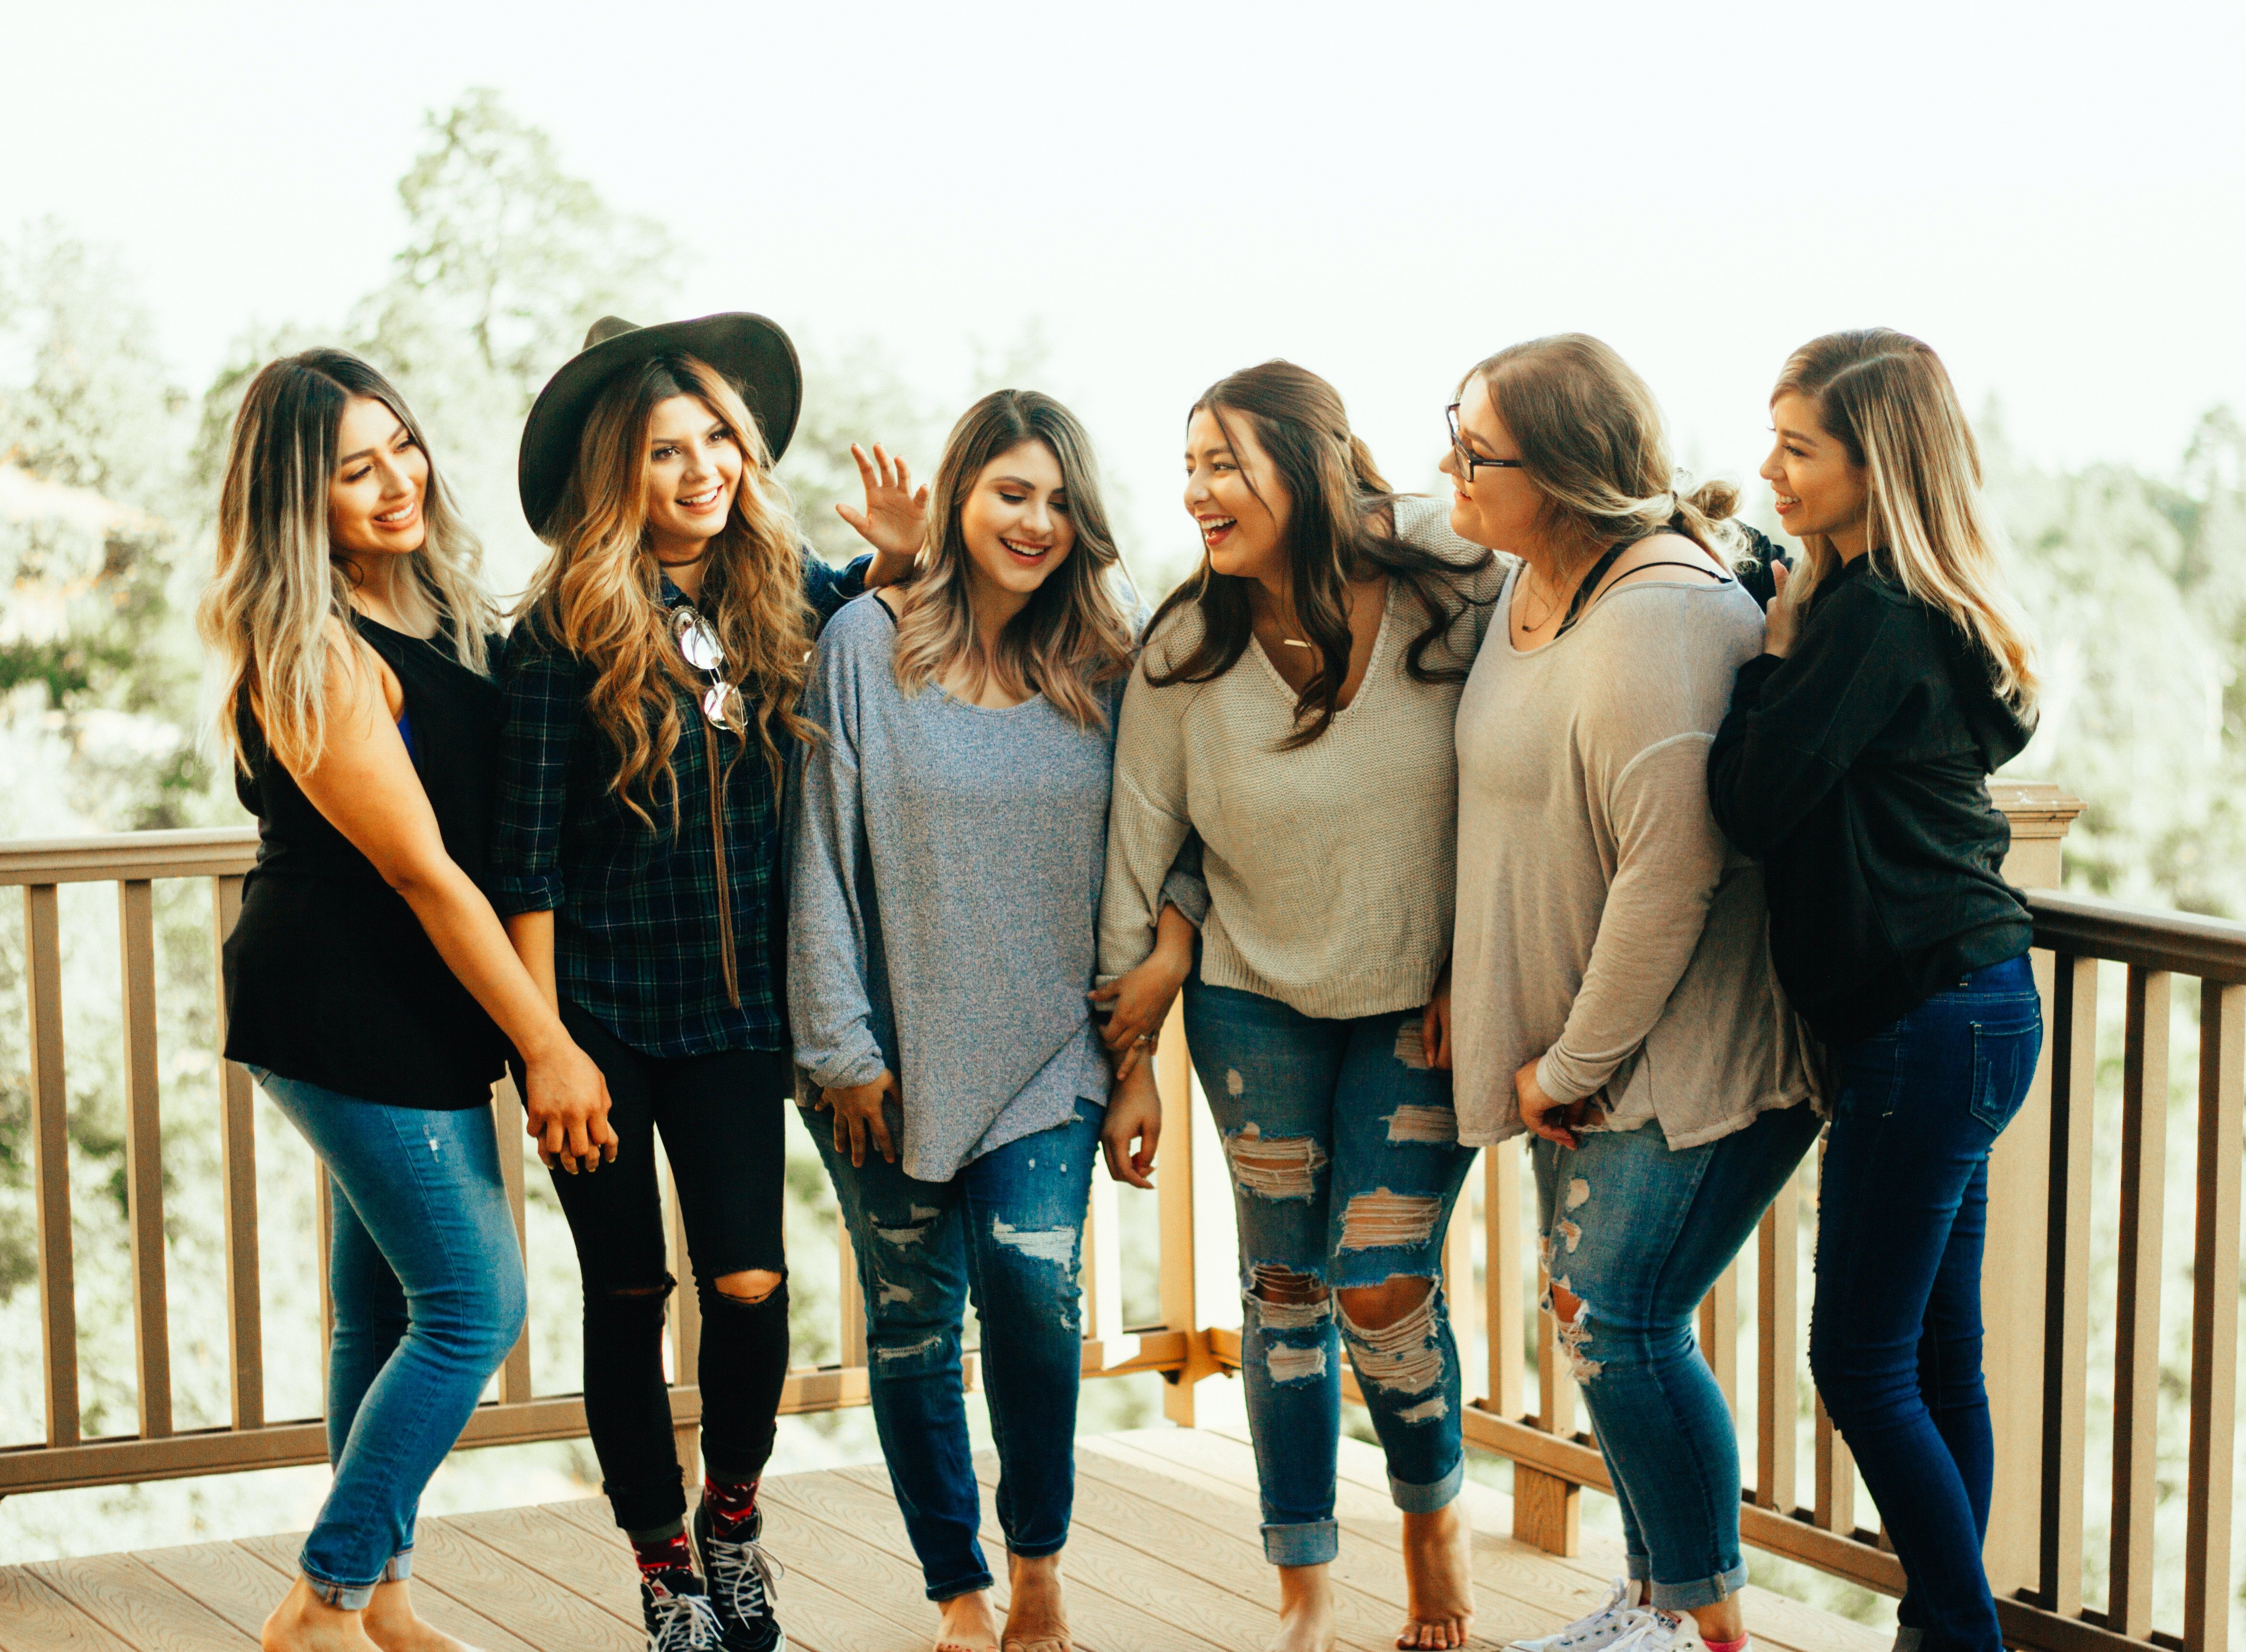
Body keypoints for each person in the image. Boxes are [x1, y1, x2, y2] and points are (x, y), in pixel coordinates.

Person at [492, 314, 909, 1652]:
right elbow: (525, 862)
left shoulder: (781, 589)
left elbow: (890, 606)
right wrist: (549, 1051)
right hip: (600, 1019)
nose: (700, 471)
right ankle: (661, 1567)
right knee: (625, 1296)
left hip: (736, 1018)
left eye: (718, 441)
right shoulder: (560, 628)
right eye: (666, 451)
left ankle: (734, 1524)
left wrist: (899, 552)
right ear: (620, 469)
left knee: (747, 1284)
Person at [202, 348, 614, 1652]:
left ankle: (381, 1597)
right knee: (476, 1307)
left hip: (409, 1006)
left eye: (402, 448)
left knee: (382, 1311)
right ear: (294, 500)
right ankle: (321, 1602)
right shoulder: (313, 646)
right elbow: (426, 873)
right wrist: (547, 1047)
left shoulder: (442, 606)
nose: (395, 483)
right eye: (352, 470)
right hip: (342, 1004)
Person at [1096, 360, 1500, 1652]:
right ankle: (1305, 1584)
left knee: (1382, 1285)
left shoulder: (1456, 596)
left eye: (1228, 462)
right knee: (1282, 1287)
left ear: (1315, 469)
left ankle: (1434, 1526)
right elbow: (1137, 853)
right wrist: (1132, 1061)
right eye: (1191, 462)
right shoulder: (1183, 650)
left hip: (1421, 1010)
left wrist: (1477, 966)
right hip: (1249, 1004)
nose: (1198, 489)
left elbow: (1494, 524)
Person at [1442, 334, 1823, 1652]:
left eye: (1474, 448)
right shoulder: (1526, 584)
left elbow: (1673, 877)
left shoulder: (1663, 614)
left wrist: (1568, 1064)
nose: (1450, 464)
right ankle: (1659, 1599)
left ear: (1557, 473)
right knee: (1589, 1321)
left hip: (1682, 1053)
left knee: (1621, 1321)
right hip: (1588, 1054)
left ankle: (1704, 1625)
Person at [791, 388, 1188, 1652]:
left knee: (1033, 1296)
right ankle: (955, 1591)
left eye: (1063, 502)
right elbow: (820, 858)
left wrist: (1136, 1062)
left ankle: (1036, 1574)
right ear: (963, 496)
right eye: (1012, 491)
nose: (1038, 521)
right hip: (888, 1058)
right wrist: (842, 1050)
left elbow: (1156, 858)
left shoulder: (1105, 666)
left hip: (1051, 1054)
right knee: (910, 1325)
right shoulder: (865, 643)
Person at [1708, 329, 2043, 1652]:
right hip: (1970, 1012)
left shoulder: (1869, 622)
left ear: (1875, 464)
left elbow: (1747, 800)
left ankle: (1960, 1633)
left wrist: (1774, 644)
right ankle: (1943, 1627)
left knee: (1857, 1362)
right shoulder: (1923, 610)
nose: (1770, 471)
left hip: (1923, 1025)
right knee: (1934, 1359)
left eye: (1799, 449)